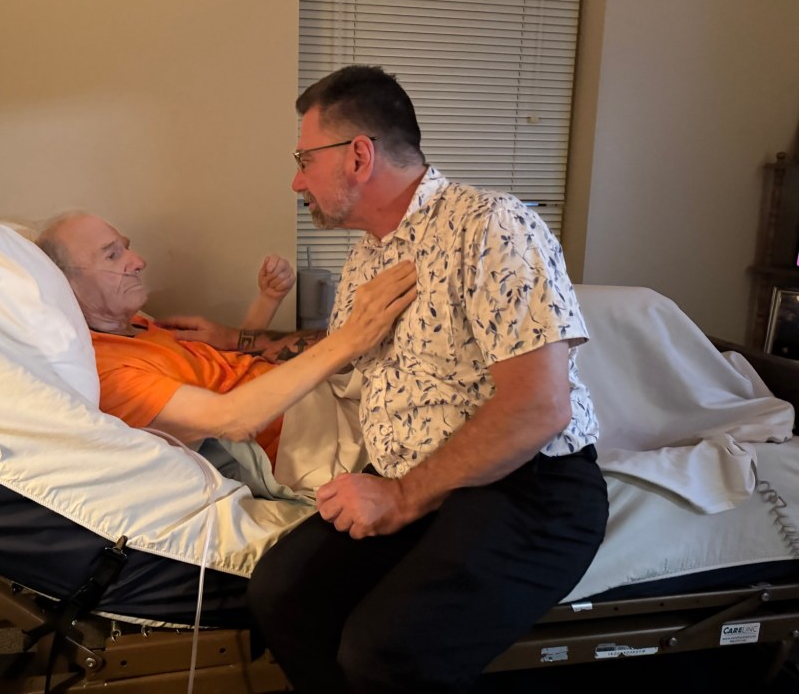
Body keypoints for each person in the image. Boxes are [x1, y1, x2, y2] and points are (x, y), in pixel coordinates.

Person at [167, 65, 610, 693]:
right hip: (415, 477)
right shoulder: (367, 257)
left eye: (304, 160)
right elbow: (342, 349)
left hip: (525, 485)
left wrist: (402, 498)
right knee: (281, 596)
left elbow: (539, 407)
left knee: (385, 650)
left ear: (358, 156)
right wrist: (240, 339)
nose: (297, 181)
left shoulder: (490, 225)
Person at [35, 210, 416, 468]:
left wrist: (267, 301)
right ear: (66, 284)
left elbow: (227, 373)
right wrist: (349, 339)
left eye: (126, 246)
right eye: (112, 255)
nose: (137, 261)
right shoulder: (108, 372)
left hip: (313, 394)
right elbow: (230, 419)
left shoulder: (138, 324)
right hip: (305, 439)